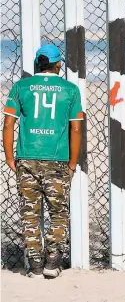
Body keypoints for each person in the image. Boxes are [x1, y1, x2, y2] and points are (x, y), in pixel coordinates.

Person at [2, 44, 83, 278]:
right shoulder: (70, 89)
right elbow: (76, 129)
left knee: (30, 213)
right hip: (57, 160)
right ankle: (52, 263)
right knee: (58, 212)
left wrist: (9, 156)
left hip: (27, 157)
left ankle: (35, 265)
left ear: (38, 64)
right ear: (58, 65)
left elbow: (8, 123)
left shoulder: (20, 87)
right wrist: (72, 163)